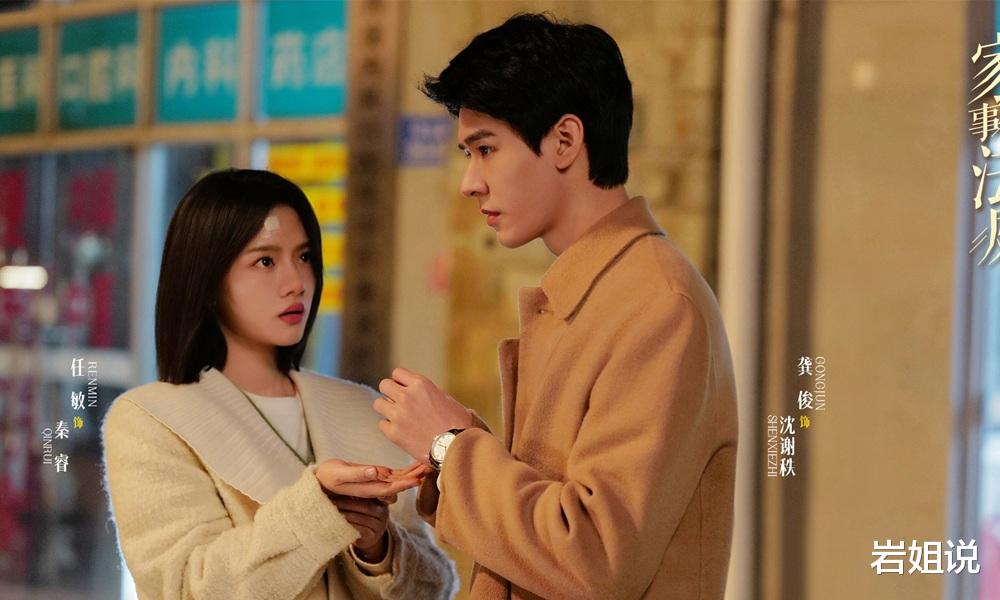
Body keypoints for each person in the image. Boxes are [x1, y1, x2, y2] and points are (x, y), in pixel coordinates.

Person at [374, 13, 738, 600]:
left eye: (485, 149)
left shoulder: (658, 306)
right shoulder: (603, 291)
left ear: (565, 140)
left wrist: (451, 445)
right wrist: (455, 449)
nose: (469, 182)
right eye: (468, 153)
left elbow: (592, 554)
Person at [100, 169, 457, 600]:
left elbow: (438, 585)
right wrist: (315, 508)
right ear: (208, 277)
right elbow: (183, 589)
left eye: (304, 256)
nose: (296, 283)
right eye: (265, 261)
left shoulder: (364, 408)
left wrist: (379, 549)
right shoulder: (151, 420)